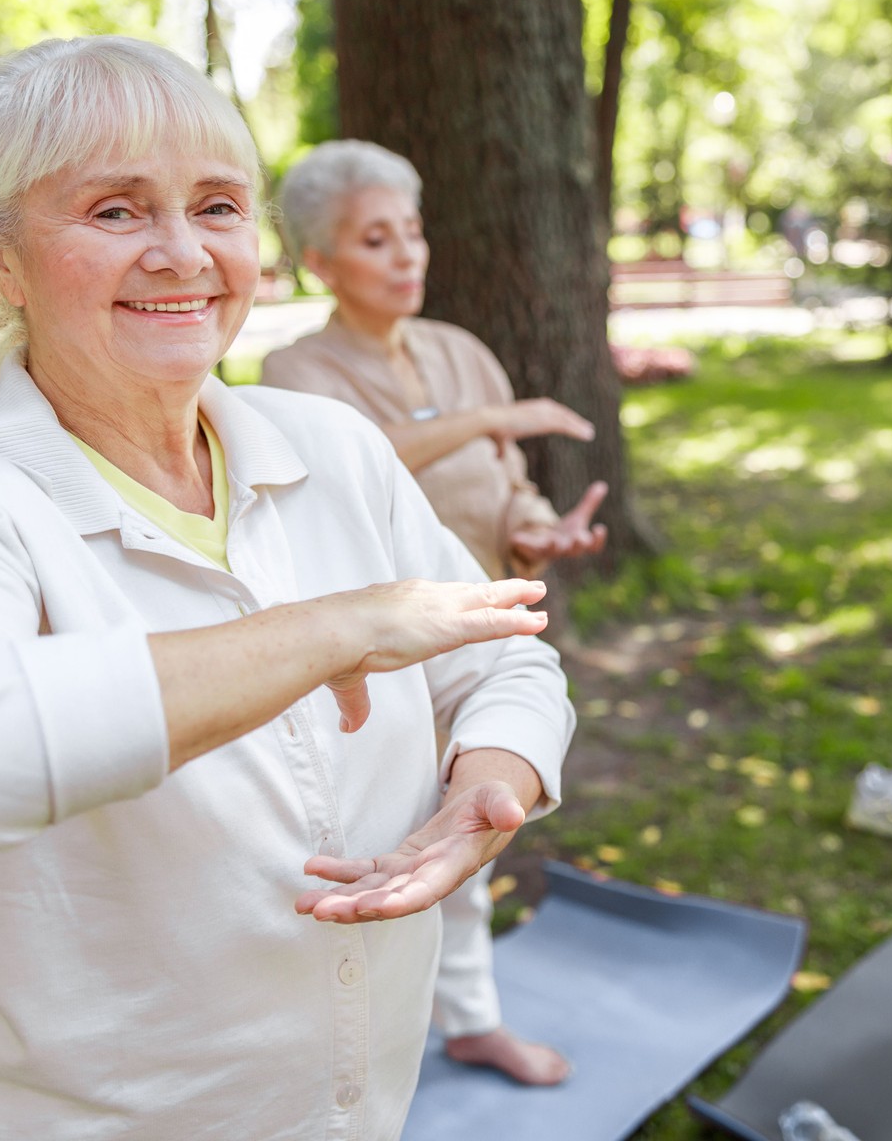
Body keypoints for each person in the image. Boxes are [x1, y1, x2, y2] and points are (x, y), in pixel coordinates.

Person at [0, 36, 576, 1140]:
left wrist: (491, 781)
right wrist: (328, 630)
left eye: (216, 206)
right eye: (115, 212)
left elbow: (503, 653)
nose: (183, 253)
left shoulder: (333, 447)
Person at [261, 140, 602, 1086]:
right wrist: (498, 416)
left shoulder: (462, 352)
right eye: (376, 240)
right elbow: (359, 461)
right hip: (370, 663)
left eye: (413, 232)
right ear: (321, 263)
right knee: (373, 843)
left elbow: (510, 487)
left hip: (482, 636)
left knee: (471, 830)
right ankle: (354, 1049)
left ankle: (469, 1022)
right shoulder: (294, 373)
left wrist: (541, 533)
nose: (408, 255)